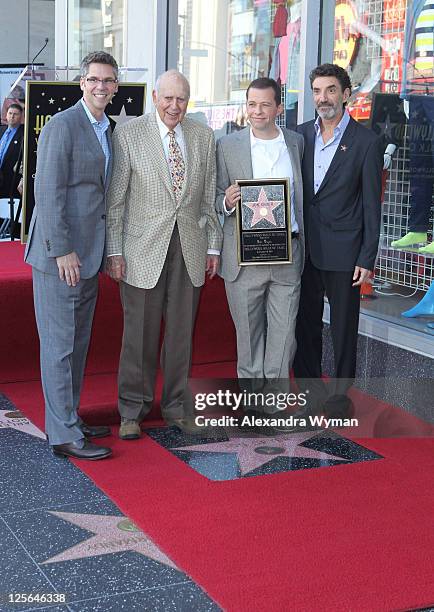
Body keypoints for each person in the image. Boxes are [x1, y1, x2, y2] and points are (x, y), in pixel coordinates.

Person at [106, 69, 222, 440]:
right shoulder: (129, 134)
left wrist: (213, 245)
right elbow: (117, 200)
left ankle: (175, 407)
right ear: (155, 96)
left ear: (189, 101)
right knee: (137, 334)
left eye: (182, 99)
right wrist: (115, 251)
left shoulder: (204, 136)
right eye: (168, 98)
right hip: (141, 250)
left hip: (189, 246)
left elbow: (208, 197)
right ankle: (131, 411)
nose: (175, 106)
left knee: (181, 335)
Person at [24, 51, 119, 460]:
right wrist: (62, 249)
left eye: (108, 80)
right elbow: (46, 193)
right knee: (59, 345)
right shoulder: (62, 126)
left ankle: (69, 417)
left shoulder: (108, 129)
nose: (101, 86)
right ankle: (61, 433)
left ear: (115, 87)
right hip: (59, 257)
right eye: (94, 79)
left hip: (90, 254)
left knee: (77, 344)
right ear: (82, 83)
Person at [293, 63, 383, 416]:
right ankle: (310, 393)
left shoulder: (367, 142)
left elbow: (371, 205)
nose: (323, 98)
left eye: (331, 90)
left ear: (346, 95)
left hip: (346, 254)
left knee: (344, 329)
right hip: (304, 250)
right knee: (306, 325)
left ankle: (340, 397)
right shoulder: (299, 136)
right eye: (317, 90)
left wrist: (367, 258)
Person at [216, 77, 304, 420]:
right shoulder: (227, 145)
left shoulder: (296, 143)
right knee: (248, 335)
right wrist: (226, 200)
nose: (257, 111)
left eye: (265, 104)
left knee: (284, 335)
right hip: (243, 257)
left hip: (287, 256)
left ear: (278, 108)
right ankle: (252, 401)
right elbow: (211, 196)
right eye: (252, 104)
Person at [0, 104, 24, 199]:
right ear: (6, 115)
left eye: (15, 114)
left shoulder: (24, 134)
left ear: (21, 117)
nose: (12, 116)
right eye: (10, 113)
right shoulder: (1, 129)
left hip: (11, 182)